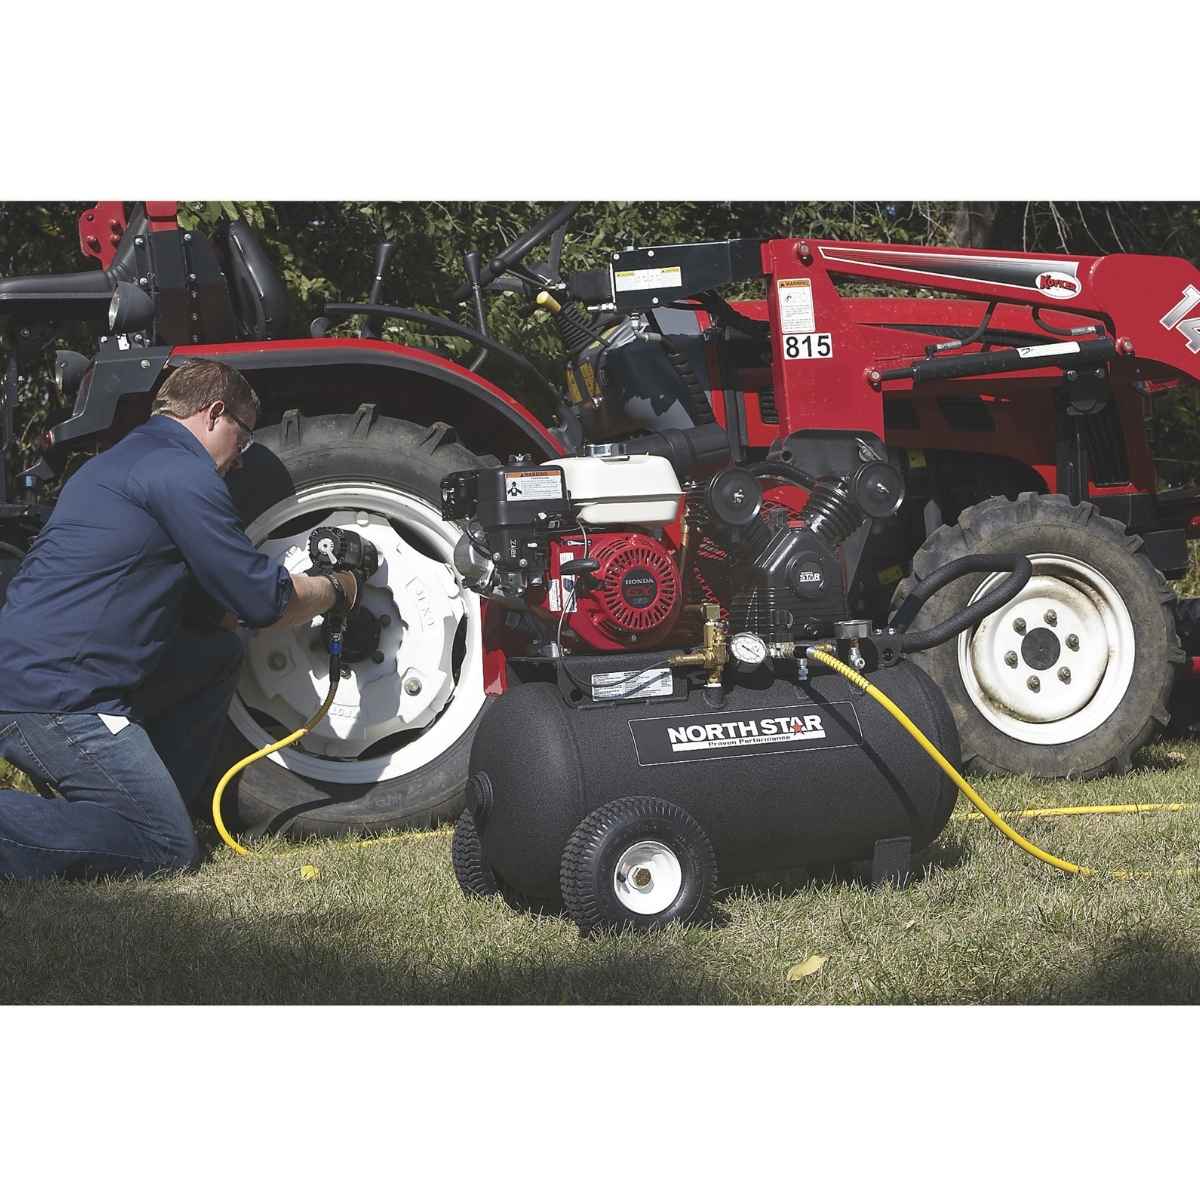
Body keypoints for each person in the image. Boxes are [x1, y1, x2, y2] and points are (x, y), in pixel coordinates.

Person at [0, 359, 359, 881]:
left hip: (37, 676)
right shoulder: (182, 472)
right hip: (57, 700)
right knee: (165, 846)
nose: (240, 460)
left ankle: (156, 799)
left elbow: (215, 608)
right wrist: (338, 588)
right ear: (215, 414)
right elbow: (264, 602)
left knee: (218, 653)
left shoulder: (118, 462)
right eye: (245, 439)